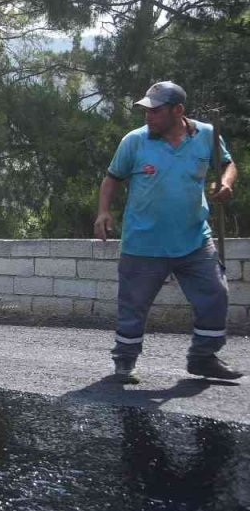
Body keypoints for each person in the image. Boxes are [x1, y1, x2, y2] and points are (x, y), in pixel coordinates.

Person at [94, 81, 242, 383]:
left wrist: (226, 184)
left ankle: (203, 357)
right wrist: (103, 211)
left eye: (155, 111)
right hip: (143, 243)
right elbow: (111, 179)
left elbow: (227, 164)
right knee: (133, 306)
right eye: (146, 111)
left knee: (215, 293)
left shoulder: (207, 136)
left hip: (194, 239)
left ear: (178, 111)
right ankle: (125, 362)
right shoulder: (135, 142)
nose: (148, 117)